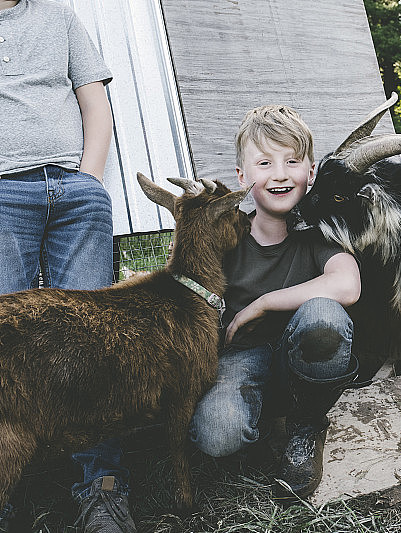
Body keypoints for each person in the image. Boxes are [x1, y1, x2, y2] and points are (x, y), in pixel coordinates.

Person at [0, 1, 134, 532]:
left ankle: (102, 489)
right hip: (3, 194)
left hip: (75, 195)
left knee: (92, 343)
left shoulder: (57, 18)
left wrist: (90, 179)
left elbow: (93, 102)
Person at [189, 104, 361, 499]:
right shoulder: (225, 235)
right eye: (264, 163)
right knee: (217, 435)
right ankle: (262, 422)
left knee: (324, 315)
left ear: (311, 172)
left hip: (302, 362)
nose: (280, 174)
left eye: (292, 161)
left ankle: (307, 425)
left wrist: (264, 302)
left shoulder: (321, 234)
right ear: (243, 176)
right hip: (238, 358)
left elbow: (347, 285)